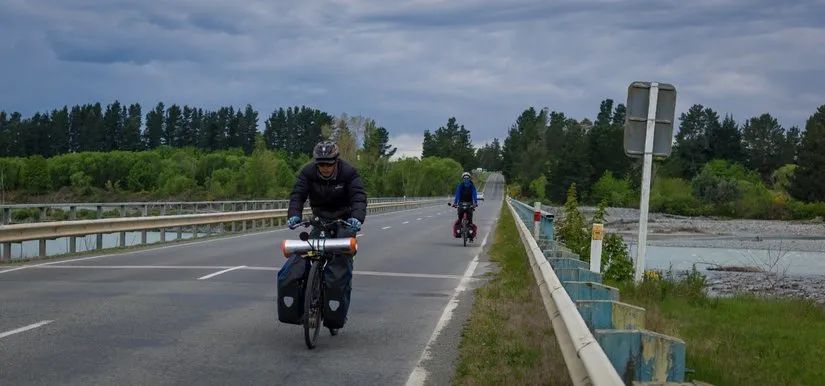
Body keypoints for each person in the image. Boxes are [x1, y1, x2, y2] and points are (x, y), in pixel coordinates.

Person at [285, 140, 367, 333]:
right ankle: (309, 294)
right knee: (308, 255)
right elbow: (297, 195)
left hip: (344, 219)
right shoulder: (307, 172)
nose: (325, 168)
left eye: (329, 164)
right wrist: (293, 215)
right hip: (319, 218)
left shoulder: (349, 172)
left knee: (341, 264)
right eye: (321, 164)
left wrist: (356, 218)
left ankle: (336, 310)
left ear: (336, 161)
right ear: (316, 163)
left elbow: (358, 197)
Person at [452, 172, 478, 240]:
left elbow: (474, 194)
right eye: (464, 178)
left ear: (469, 178)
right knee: (460, 217)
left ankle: (471, 234)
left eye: (467, 178)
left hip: (469, 203)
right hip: (461, 202)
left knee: (470, 218)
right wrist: (455, 203)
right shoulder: (460, 186)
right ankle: (459, 229)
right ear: (462, 179)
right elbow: (457, 194)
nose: (466, 179)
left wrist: (475, 202)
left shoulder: (472, 186)